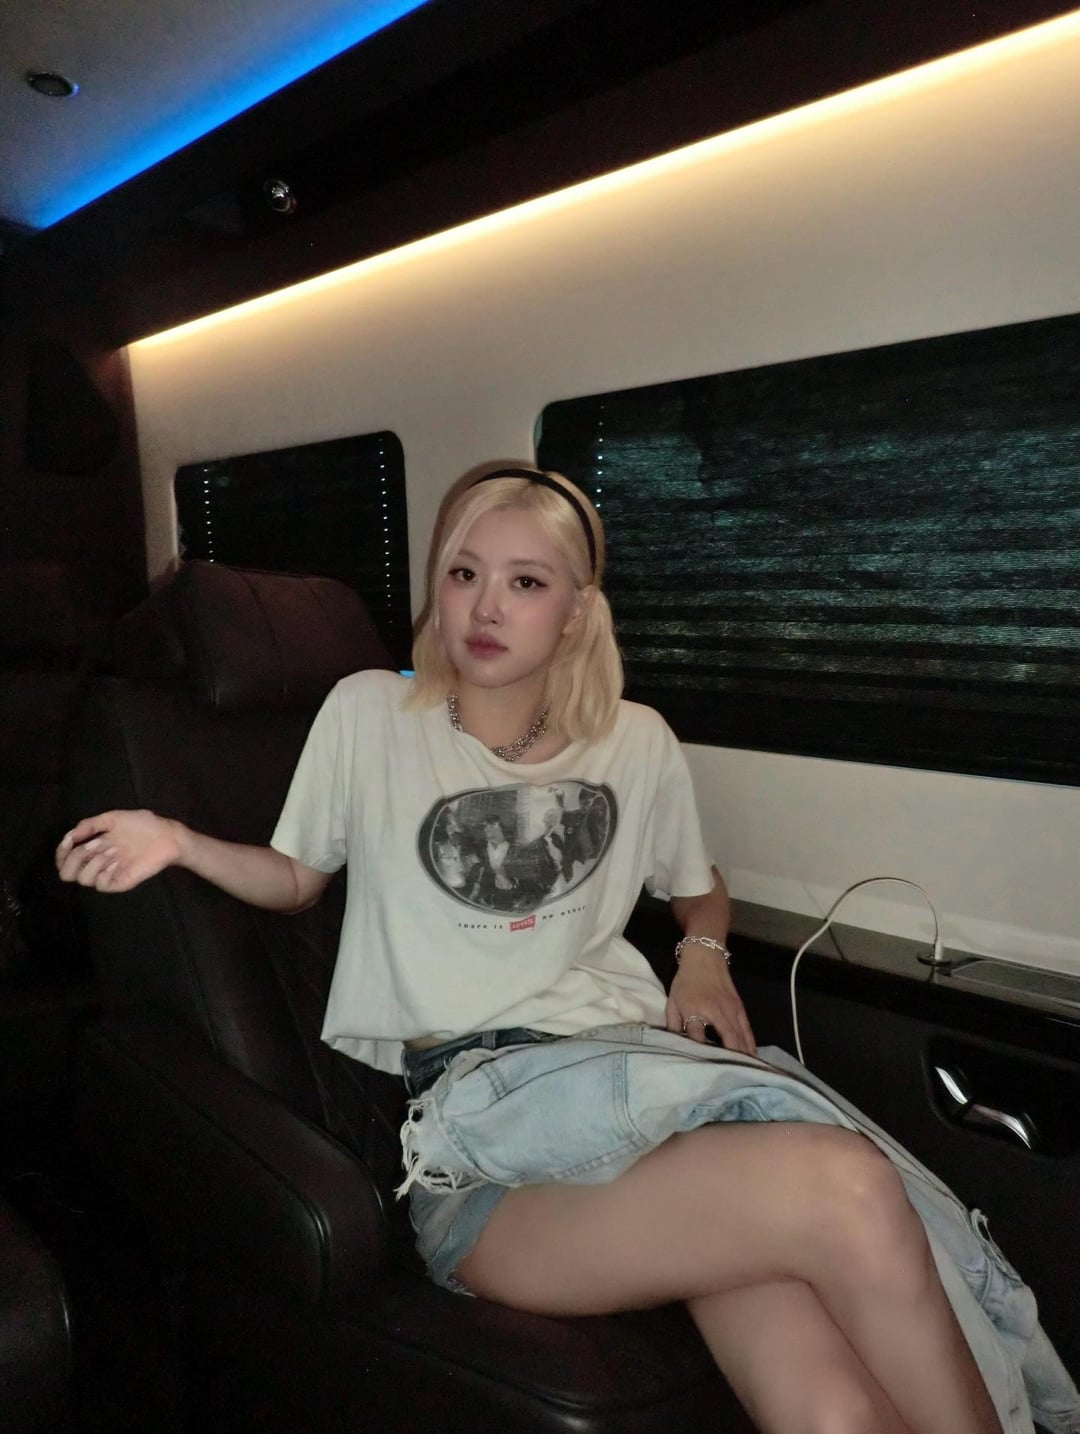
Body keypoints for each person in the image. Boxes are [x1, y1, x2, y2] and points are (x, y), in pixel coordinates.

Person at [56, 463, 1025, 1434]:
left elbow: (698, 886)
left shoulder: (635, 741)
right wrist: (178, 840)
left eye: (525, 582)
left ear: (575, 613)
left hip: (646, 1085)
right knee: (849, 1186)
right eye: (464, 573)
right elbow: (296, 876)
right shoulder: (369, 713)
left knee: (833, 1413)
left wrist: (703, 954)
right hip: (488, 1137)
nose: (486, 606)